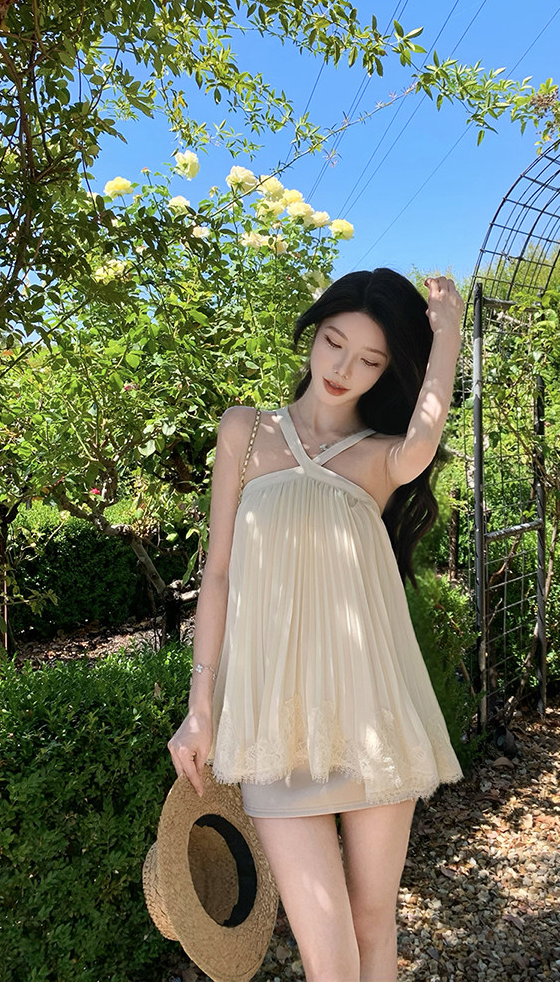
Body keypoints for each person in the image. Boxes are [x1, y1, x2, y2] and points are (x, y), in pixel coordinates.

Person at [167, 267, 466, 982]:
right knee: (327, 955)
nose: (343, 369)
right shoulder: (245, 432)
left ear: (388, 371)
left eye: (370, 360)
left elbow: (422, 440)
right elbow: (218, 576)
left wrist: (449, 336)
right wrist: (199, 708)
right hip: (272, 730)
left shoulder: (378, 457)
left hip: (371, 722)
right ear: (313, 331)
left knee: (373, 926)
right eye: (334, 342)